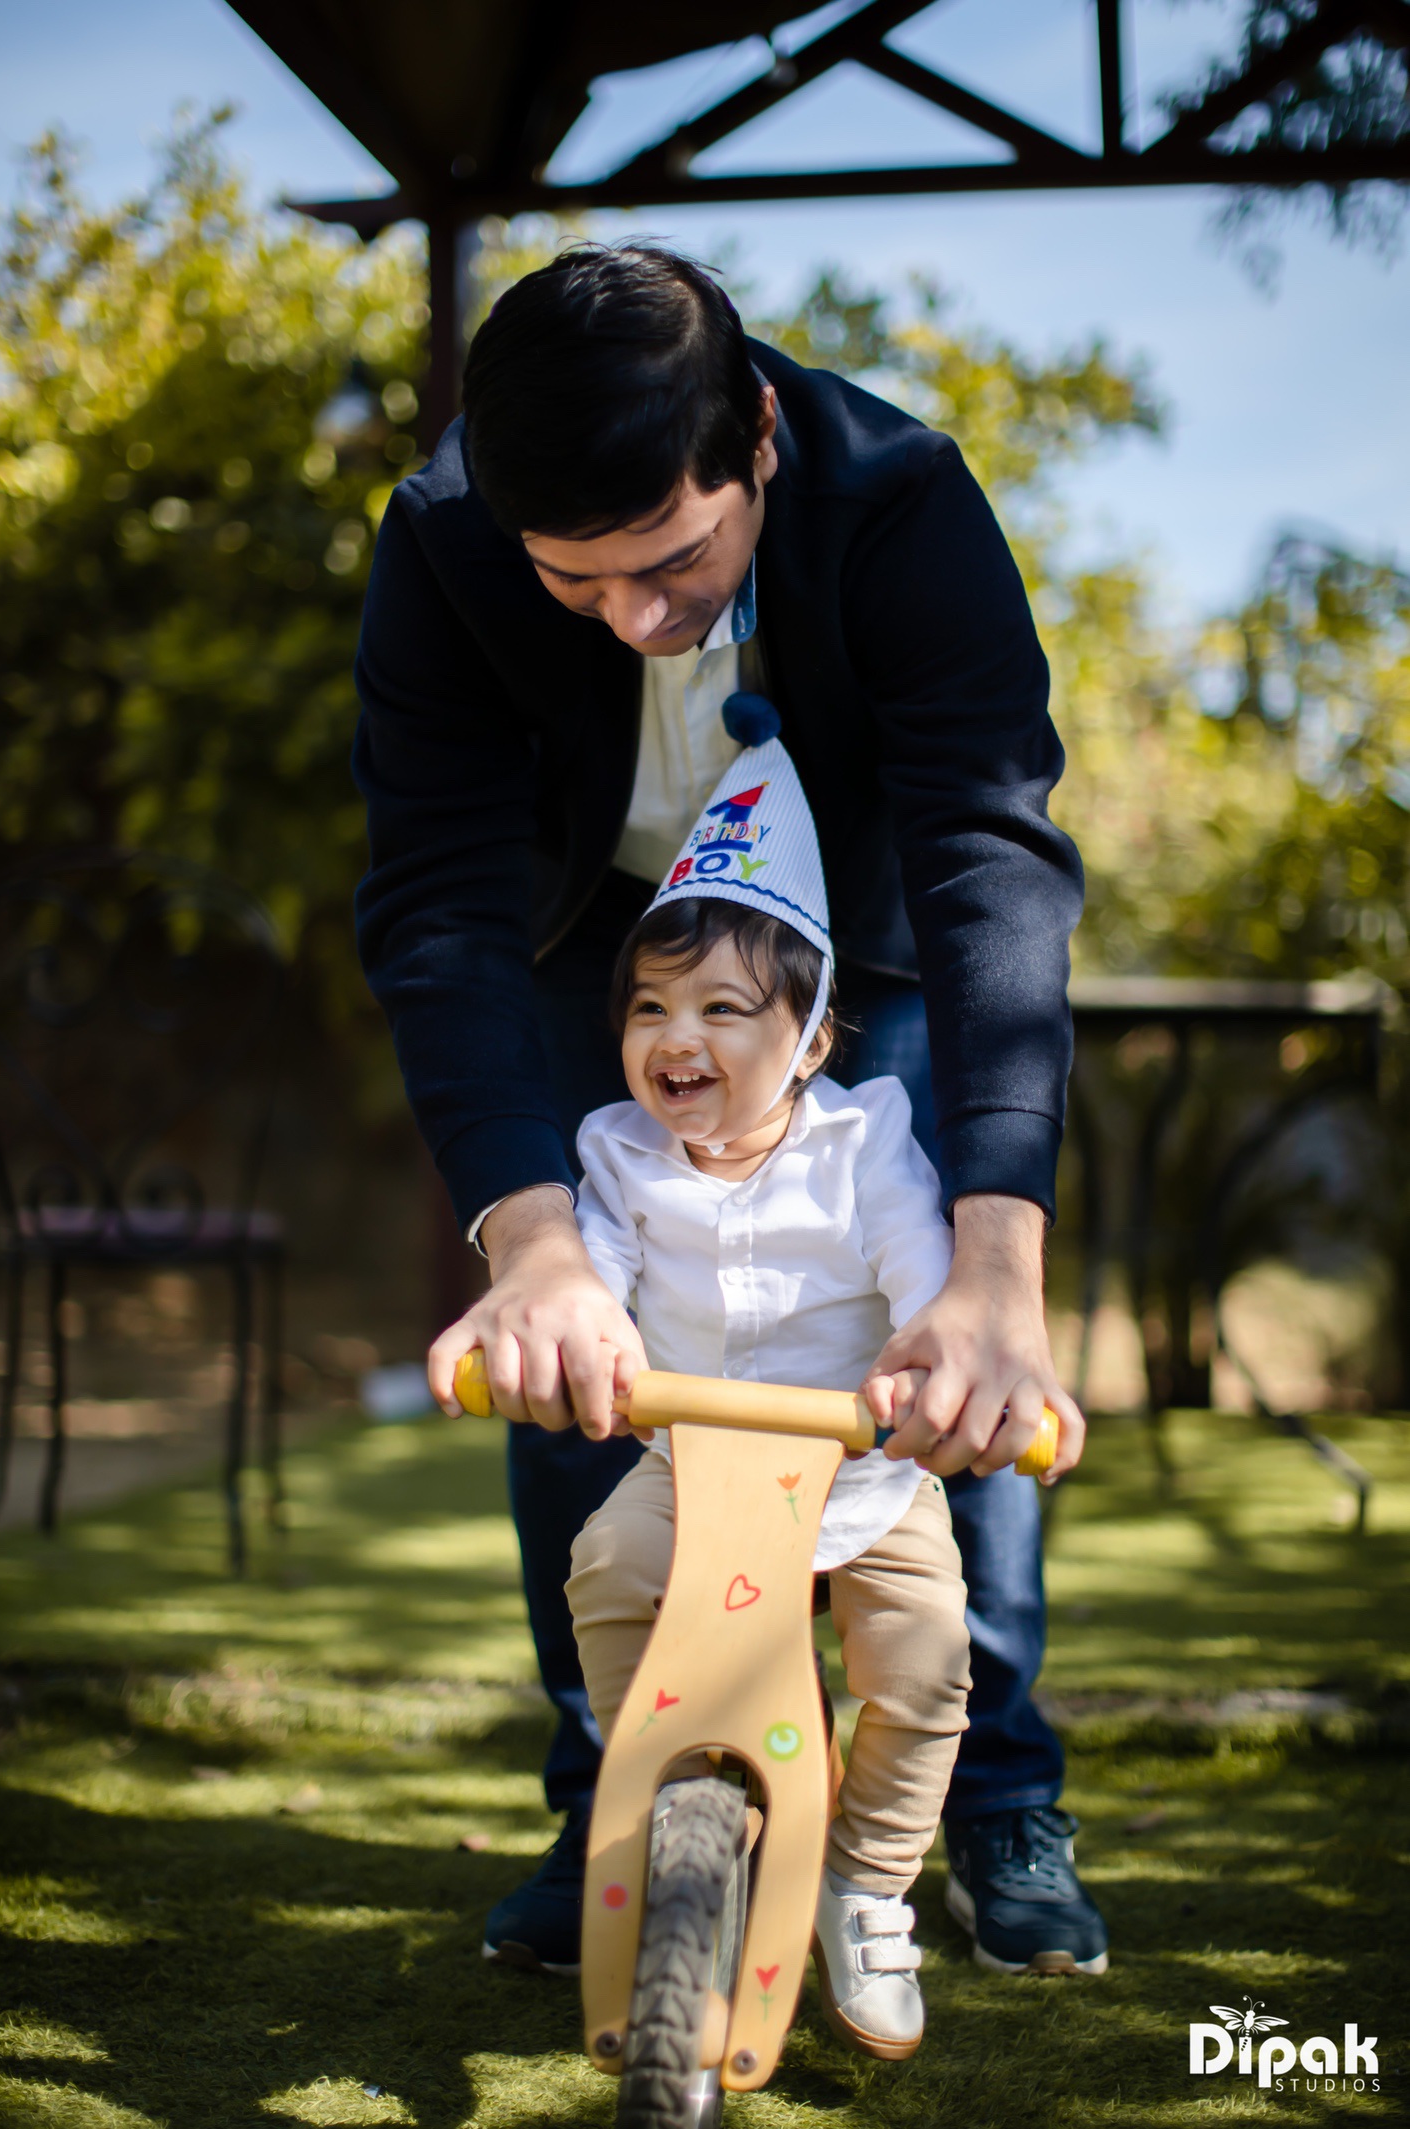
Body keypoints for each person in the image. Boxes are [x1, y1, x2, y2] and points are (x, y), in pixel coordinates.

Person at [353, 242, 1108, 1981]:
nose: (638, 616)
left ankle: (990, 1794)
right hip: (586, 941)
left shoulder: (903, 498)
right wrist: (529, 1240)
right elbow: (440, 897)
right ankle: (612, 1776)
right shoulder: (440, 543)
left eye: (676, 560)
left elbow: (991, 852)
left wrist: (1000, 1257)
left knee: (944, 1349)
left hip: (878, 944)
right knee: (577, 1348)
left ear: (757, 433)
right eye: (580, 582)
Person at [567, 704, 1080, 2057]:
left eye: (726, 1008)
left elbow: (929, 1280)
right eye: (651, 1006)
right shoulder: (616, 1152)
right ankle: (652, 1774)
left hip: (861, 1473)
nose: (678, 1036)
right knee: (608, 1561)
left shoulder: (866, 1143)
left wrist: (959, 1374)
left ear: (810, 1036)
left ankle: (869, 1878)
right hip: (694, 1463)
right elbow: (591, 1272)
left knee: (923, 1659)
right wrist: (571, 1336)